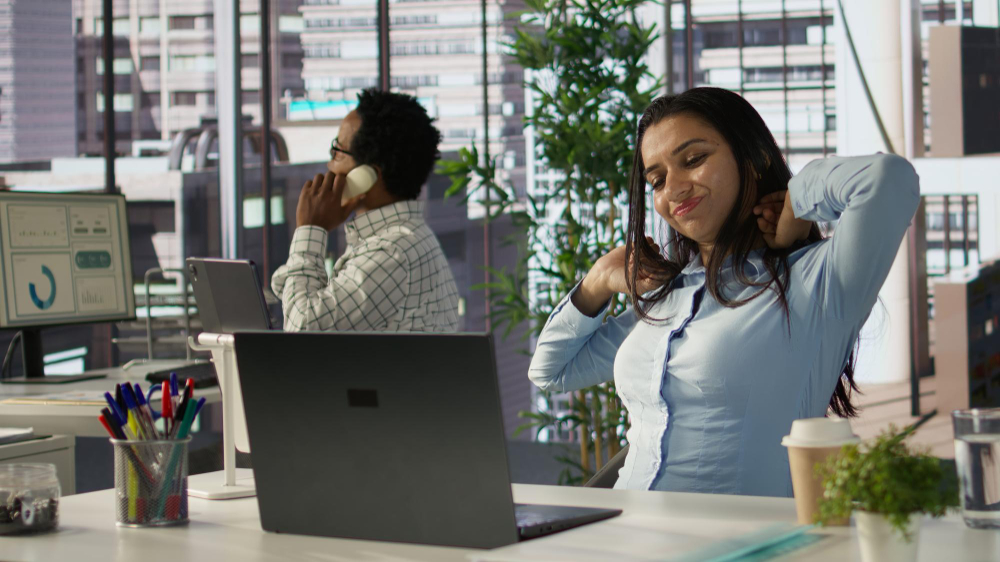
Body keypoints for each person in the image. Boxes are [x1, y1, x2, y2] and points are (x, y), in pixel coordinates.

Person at [528, 87, 920, 497]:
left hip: (735, 545)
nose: (674, 188)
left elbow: (888, 180)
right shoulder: (670, 296)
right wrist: (596, 283)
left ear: (751, 159)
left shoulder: (815, 282)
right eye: (657, 180)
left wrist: (794, 203)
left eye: (693, 160)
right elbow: (551, 371)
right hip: (623, 530)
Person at [272, 89, 460, 333]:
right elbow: (290, 293)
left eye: (337, 151)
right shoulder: (399, 241)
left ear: (366, 176)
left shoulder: (391, 254)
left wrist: (311, 229)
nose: (329, 165)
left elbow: (302, 329)